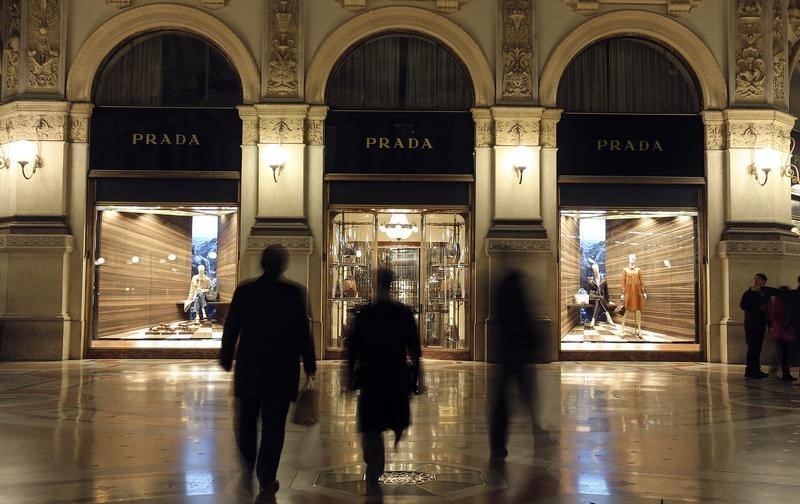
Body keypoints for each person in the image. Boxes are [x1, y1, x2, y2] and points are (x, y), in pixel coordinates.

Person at [219, 245, 317, 503]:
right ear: (283, 265)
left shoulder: (245, 291)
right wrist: (309, 364)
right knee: (274, 426)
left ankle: (248, 465)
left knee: (247, 423)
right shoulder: (294, 293)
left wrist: (226, 357)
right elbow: (302, 333)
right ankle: (266, 477)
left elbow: (232, 326)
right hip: (281, 371)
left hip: (250, 368)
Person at [346, 268, 421, 495]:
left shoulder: (365, 314)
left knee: (370, 424)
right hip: (395, 373)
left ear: (375, 284)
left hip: (372, 375)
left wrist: (349, 376)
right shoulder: (403, 313)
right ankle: (396, 431)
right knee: (393, 413)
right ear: (392, 285)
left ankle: (374, 467)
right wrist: (416, 378)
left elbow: (352, 349)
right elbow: (415, 349)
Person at [489, 268, 543, 461]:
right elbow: (527, 322)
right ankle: (537, 432)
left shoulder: (501, 292)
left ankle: (497, 444)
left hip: (505, 352)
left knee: (503, 400)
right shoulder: (517, 295)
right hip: (520, 352)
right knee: (527, 396)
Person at [740, 273, 770, 379]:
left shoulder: (764, 293)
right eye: (756, 279)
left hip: (760, 324)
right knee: (752, 347)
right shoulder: (748, 293)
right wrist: (758, 306)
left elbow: (768, 308)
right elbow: (743, 305)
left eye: (760, 280)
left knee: (758, 348)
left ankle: (757, 370)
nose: (757, 281)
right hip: (751, 324)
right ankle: (750, 371)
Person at [767, 285, 797, 382]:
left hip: (780, 331)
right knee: (784, 353)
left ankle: (779, 370)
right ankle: (784, 373)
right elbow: (777, 316)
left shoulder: (778, 302)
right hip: (781, 330)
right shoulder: (779, 303)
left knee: (782, 352)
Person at [619, 253, 647, 337]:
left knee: (638, 311)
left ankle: (639, 330)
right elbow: (623, 282)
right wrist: (623, 293)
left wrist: (644, 292)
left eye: (634, 258)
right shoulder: (625, 270)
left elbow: (642, 282)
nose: (632, 259)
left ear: (636, 259)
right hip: (628, 293)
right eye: (631, 258)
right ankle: (622, 330)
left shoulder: (638, 270)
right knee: (625, 310)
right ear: (628, 259)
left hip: (637, 293)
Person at [587, 262, 616, 328]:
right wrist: (587, 298)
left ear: (598, 269)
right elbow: (589, 291)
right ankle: (609, 317)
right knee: (599, 298)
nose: (595, 271)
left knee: (599, 299)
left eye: (596, 270)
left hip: (599, 299)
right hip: (592, 297)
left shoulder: (604, 279)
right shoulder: (590, 279)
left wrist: (608, 301)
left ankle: (593, 319)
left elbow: (606, 291)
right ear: (593, 270)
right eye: (594, 270)